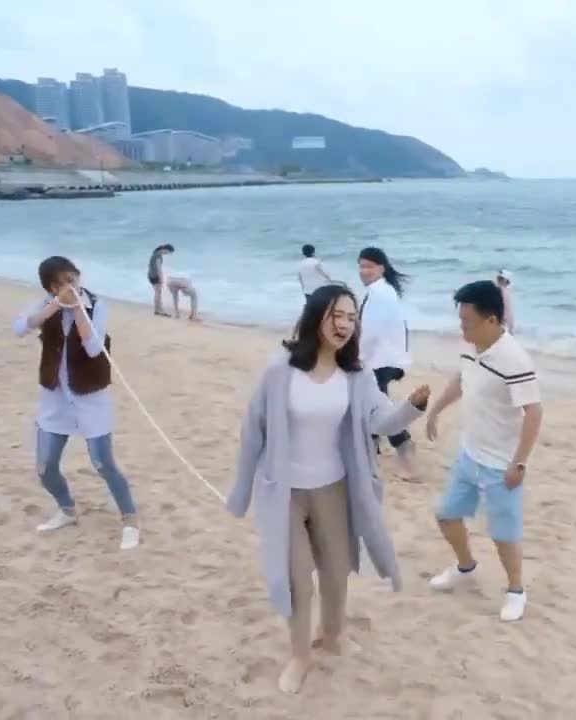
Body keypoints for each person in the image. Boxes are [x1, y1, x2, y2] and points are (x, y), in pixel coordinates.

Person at [227, 283, 431, 694]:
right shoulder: (280, 369)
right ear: (317, 317)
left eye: (352, 317)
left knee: (337, 570)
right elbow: (253, 431)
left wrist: (412, 408)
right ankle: (300, 655)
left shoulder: (357, 375)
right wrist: (241, 491)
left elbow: (380, 421)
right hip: (286, 492)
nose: (345, 324)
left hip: (334, 488)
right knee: (297, 577)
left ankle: (332, 635)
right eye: (337, 315)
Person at [424, 280, 543, 622]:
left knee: (504, 535)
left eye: (467, 322)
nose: (462, 328)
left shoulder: (513, 358)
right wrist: (435, 410)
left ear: (491, 320)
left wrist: (519, 462)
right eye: (460, 320)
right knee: (446, 515)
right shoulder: (471, 346)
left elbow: (534, 412)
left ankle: (516, 591)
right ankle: (466, 568)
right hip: (469, 453)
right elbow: (461, 380)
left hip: (501, 464)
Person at [10, 256, 140, 550]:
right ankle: (67, 509)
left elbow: (93, 348)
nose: (70, 286)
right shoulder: (45, 305)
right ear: (50, 288)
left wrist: (78, 309)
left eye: (72, 279)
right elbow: (18, 328)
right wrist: (55, 306)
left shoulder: (97, 305)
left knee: (103, 463)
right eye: (61, 283)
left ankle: (130, 520)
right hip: (55, 398)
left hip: (91, 398)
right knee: (45, 466)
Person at [356, 246, 417, 478]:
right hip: (387, 357)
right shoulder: (383, 290)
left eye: (369, 266)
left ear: (382, 268)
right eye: (361, 266)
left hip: (380, 359)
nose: (364, 271)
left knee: (376, 405)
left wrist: (358, 358)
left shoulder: (379, 293)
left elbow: (371, 332)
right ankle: (371, 449)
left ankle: (403, 444)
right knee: (373, 403)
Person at [147, 243, 174, 316]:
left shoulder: (154, 254)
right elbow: (158, 268)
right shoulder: (158, 256)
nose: (167, 254)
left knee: (157, 293)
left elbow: (151, 266)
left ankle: (157, 310)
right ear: (165, 249)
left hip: (150, 275)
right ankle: (159, 310)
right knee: (158, 294)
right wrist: (161, 279)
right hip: (155, 276)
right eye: (168, 252)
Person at [495, 269, 515, 333]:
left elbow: (507, 310)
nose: (498, 280)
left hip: (502, 321)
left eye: (501, 278)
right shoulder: (504, 291)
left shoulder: (503, 292)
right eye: (498, 278)